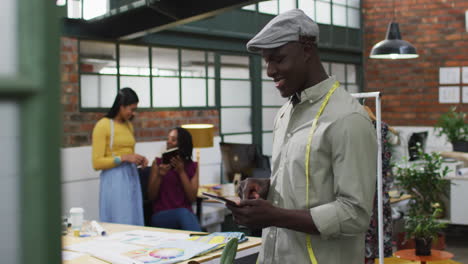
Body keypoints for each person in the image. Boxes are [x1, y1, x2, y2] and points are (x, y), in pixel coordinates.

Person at [226, 9, 378, 264]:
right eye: (266, 61)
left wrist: (274, 216)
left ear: (307, 48)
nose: (270, 71)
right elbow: (303, 181)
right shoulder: (285, 113)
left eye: (278, 59)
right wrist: (268, 186)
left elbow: (355, 214)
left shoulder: (348, 119)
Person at [92, 87, 148, 225]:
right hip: (114, 179)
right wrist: (122, 158)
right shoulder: (102, 126)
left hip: (131, 176)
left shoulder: (129, 125)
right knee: (120, 219)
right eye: (131, 109)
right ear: (121, 107)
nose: (133, 113)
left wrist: (138, 159)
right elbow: (96, 163)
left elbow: (129, 153)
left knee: (134, 218)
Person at [148, 127, 202, 231]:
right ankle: (202, 243)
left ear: (182, 144)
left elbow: (192, 198)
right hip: (161, 215)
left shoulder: (193, 166)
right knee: (183, 213)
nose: (168, 142)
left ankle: (201, 242)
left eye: (173, 139)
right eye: (168, 139)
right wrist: (160, 175)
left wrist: (181, 172)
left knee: (185, 213)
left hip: (185, 215)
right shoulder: (158, 163)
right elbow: (151, 196)